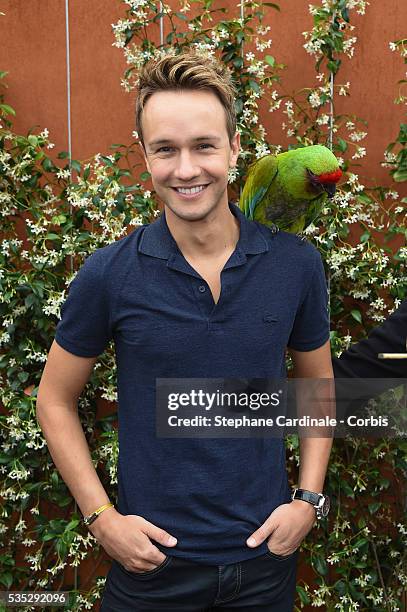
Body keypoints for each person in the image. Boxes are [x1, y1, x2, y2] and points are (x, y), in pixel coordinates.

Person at [36, 50, 334, 611]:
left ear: (235, 149)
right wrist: (102, 520)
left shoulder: (296, 265)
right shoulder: (108, 274)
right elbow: (53, 399)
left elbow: (318, 388)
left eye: (204, 145)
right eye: (165, 150)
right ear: (145, 155)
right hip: (151, 570)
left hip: (265, 567)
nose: (186, 169)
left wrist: (308, 500)